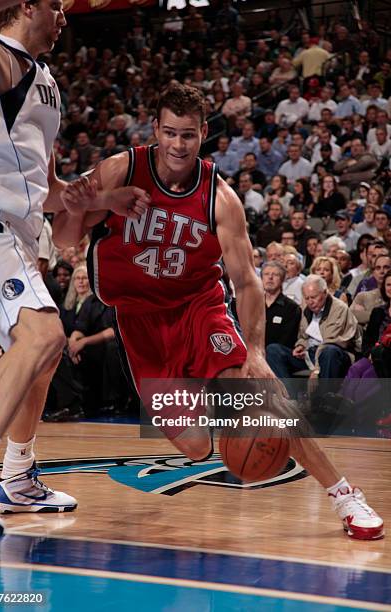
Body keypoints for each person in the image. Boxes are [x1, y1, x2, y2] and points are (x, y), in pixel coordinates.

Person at [54, 83, 384, 541]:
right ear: (155, 129)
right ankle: (226, 407)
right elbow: (64, 241)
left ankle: (345, 495)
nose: (178, 144)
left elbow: (247, 282)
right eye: (169, 132)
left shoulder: (220, 196)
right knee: (194, 448)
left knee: (261, 390)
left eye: (188, 134)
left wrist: (253, 351)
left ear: (204, 132)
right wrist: (74, 208)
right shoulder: (120, 169)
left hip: (198, 308)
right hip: (139, 324)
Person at [0, 0, 78, 541]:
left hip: (14, 233)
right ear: (25, 7)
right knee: (43, 334)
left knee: (44, 354)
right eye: (57, 6)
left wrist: (106, 194)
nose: (64, 18)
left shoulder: (46, 81)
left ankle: (17, 479)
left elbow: (51, 188)